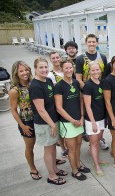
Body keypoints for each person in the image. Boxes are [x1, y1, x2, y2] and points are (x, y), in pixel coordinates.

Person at [29, 57, 67, 185]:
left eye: (45, 67)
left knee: (52, 147)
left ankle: (55, 169)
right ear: (35, 69)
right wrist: (52, 125)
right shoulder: (35, 86)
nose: (44, 70)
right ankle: (51, 175)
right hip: (45, 123)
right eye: (41, 67)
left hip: (53, 120)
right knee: (48, 149)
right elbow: (41, 110)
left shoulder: (48, 80)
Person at [54, 59, 89, 181]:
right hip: (67, 122)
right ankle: (74, 171)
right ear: (62, 69)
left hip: (79, 120)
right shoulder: (59, 86)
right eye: (66, 68)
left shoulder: (75, 82)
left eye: (70, 68)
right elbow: (59, 108)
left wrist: (82, 116)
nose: (69, 70)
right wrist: (72, 120)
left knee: (79, 145)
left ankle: (78, 165)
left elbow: (80, 100)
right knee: (72, 148)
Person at [9, 61, 42, 180]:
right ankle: (32, 168)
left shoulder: (34, 83)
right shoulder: (15, 90)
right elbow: (13, 110)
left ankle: (51, 160)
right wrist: (22, 125)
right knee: (30, 147)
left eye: (26, 70)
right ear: (16, 73)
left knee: (47, 143)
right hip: (27, 121)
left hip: (40, 118)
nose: (25, 73)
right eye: (21, 71)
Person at [75, 33, 108, 147]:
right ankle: (91, 137)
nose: (92, 44)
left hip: (100, 90)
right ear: (86, 43)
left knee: (101, 114)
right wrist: (88, 89)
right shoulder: (80, 58)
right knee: (89, 114)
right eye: (89, 42)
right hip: (87, 91)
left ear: (97, 43)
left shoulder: (102, 57)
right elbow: (78, 78)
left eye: (94, 42)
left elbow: (104, 75)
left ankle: (100, 138)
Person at [83, 61, 108, 176]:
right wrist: (93, 122)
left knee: (97, 141)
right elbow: (87, 106)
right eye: (92, 70)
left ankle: (97, 160)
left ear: (100, 70)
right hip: (92, 120)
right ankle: (96, 166)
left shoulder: (101, 83)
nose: (95, 72)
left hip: (102, 118)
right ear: (89, 72)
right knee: (93, 143)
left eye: (97, 70)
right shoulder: (88, 86)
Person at [47, 51, 68, 159]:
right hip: (58, 102)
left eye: (57, 57)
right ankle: (63, 148)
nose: (56, 60)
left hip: (69, 102)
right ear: (51, 60)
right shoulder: (50, 74)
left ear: (60, 58)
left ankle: (68, 145)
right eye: (53, 58)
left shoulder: (66, 69)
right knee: (60, 126)